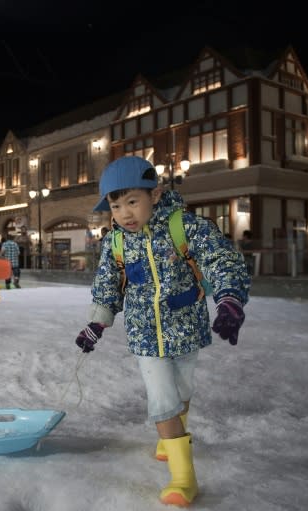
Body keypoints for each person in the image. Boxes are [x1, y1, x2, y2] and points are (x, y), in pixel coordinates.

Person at [73, 156, 250, 507]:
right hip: (144, 335)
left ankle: (170, 435)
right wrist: (97, 322)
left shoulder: (184, 227)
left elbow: (222, 260)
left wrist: (229, 299)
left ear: (155, 195)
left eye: (132, 201)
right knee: (163, 399)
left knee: (182, 390)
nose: (124, 213)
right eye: (116, 204)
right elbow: (108, 286)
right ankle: (184, 478)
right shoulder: (116, 243)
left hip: (186, 328)